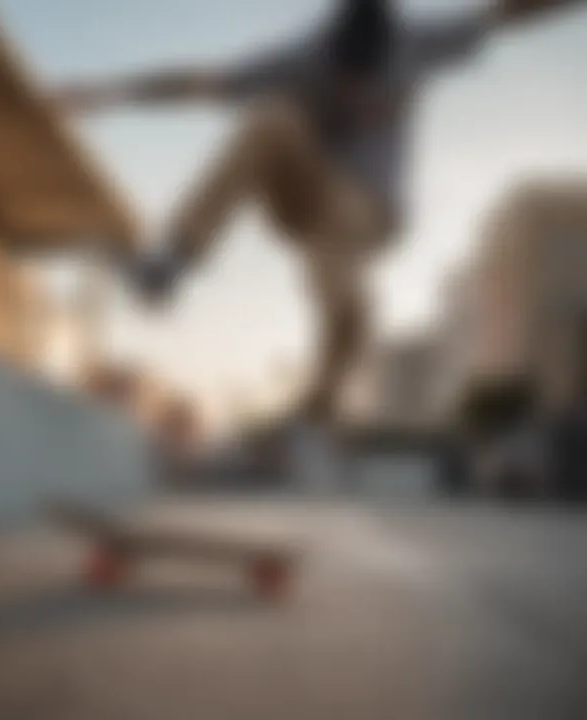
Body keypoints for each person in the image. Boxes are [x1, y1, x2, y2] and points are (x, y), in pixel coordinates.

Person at [53, 0, 585, 474]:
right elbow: (204, 83)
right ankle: (171, 263)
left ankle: (316, 410)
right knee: (270, 120)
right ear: (329, 54)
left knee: (344, 294)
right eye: (345, 81)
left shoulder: (419, 43)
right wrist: (113, 92)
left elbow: (503, 15)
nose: (355, 95)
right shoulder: (302, 57)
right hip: (304, 196)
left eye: (368, 83)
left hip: (370, 212)